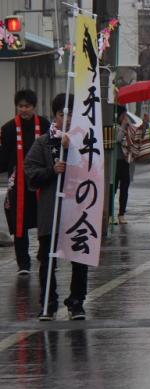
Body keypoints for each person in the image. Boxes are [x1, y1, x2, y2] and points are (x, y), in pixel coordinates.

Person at [24, 93, 89, 321]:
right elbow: (30, 172)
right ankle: (48, 303)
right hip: (50, 210)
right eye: (63, 114)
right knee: (48, 258)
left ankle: (76, 302)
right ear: (55, 116)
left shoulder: (86, 142)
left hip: (78, 209)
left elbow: (93, 172)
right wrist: (52, 170)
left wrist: (73, 151)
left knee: (79, 258)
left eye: (72, 114)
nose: (68, 119)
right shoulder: (43, 142)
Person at [1, 89, 50, 275]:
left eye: (27, 106)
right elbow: (4, 156)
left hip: (41, 180)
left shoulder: (45, 125)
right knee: (18, 221)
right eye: (20, 106)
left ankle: (43, 253)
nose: (24, 110)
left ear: (34, 106)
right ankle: (23, 263)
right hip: (18, 183)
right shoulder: (8, 129)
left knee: (44, 219)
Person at [114, 106, 133, 225]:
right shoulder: (114, 126)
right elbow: (117, 139)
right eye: (123, 115)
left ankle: (121, 214)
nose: (125, 117)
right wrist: (123, 126)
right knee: (113, 188)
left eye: (126, 115)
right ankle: (110, 214)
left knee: (125, 189)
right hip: (114, 162)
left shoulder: (127, 127)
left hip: (125, 161)